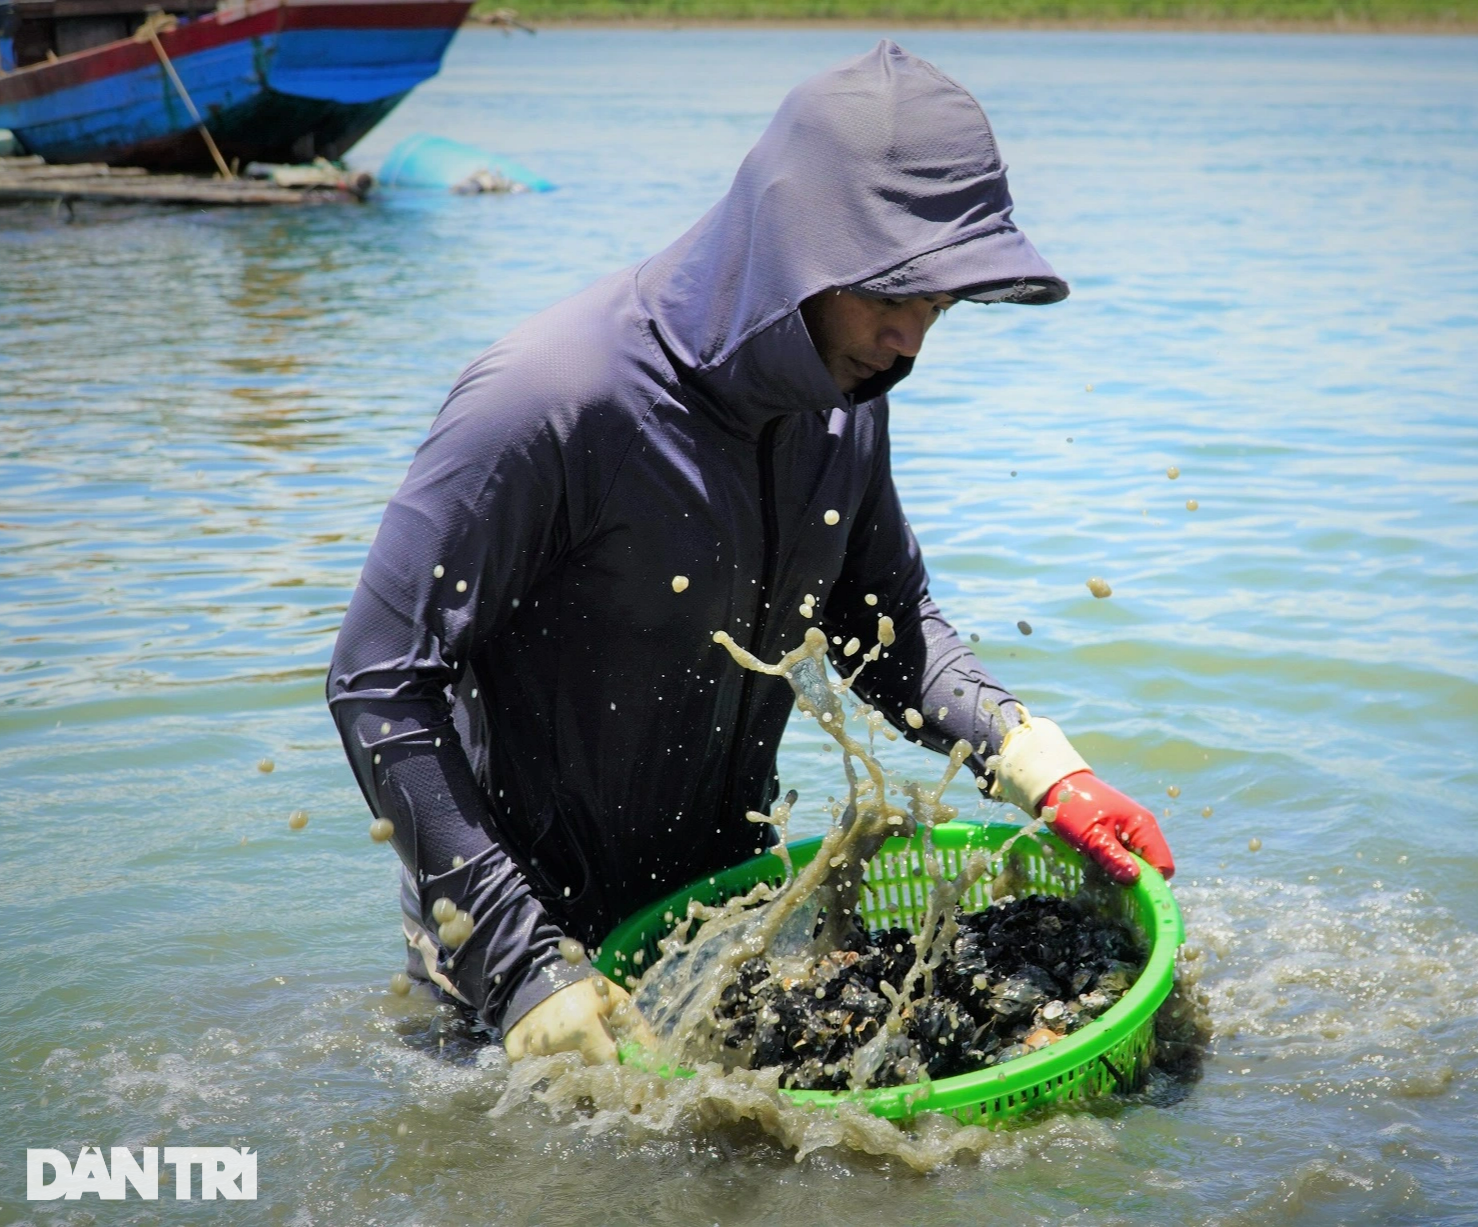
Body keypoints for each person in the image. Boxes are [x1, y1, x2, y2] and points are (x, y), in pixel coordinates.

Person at [326, 41, 1175, 1066]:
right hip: (517, 966)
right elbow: (377, 684)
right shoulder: (548, 401)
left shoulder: (843, 393)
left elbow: (886, 635)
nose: (910, 340)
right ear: (796, 240)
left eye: (940, 304)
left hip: (720, 924)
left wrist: (1042, 765)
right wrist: (521, 963)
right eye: (891, 293)